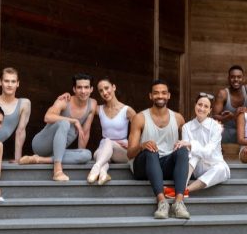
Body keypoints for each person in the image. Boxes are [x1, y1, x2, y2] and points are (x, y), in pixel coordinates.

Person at [127, 79, 189, 219]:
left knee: (183, 149)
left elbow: (189, 143)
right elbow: (129, 153)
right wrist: (142, 145)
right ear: (150, 96)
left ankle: (179, 203)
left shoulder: (178, 118)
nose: (160, 96)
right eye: (156, 93)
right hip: (144, 165)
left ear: (169, 96)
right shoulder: (140, 118)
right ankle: (162, 203)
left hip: (166, 166)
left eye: (163, 93)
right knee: (151, 150)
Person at [18, 73, 96, 181]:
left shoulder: (92, 105)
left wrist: (78, 155)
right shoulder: (64, 101)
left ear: (91, 89)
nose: (83, 91)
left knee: (86, 155)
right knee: (64, 123)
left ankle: (39, 160)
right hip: (41, 144)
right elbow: (47, 117)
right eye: (79, 87)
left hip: (58, 151)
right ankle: (57, 171)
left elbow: (85, 132)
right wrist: (73, 121)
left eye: (86, 87)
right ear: (74, 89)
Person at [175, 92, 230, 195]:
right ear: (195, 105)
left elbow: (208, 152)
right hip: (196, 168)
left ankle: (185, 191)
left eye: (206, 106)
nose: (202, 108)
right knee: (193, 155)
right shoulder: (186, 127)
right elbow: (188, 154)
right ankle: (182, 185)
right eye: (199, 104)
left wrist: (191, 144)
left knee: (222, 168)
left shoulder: (216, 127)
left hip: (214, 165)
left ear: (209, 110)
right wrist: (191, 147)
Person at [86, 78, 136, 185]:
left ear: (114, 87)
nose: (104, 92)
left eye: (106, 88)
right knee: (102, 150)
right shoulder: (99, 109)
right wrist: (67, 97)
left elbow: (141, 130)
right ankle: (103, 173)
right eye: (100, 90)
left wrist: (133, 145)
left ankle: (96, 167)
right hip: (105, 150)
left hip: (122, 151)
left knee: (107, 142)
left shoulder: (127, 110)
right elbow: (82, 105)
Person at [213, 65, 247, 144]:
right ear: (228, 79)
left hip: (245, 131)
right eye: (233, 77)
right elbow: (215, 117)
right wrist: (230, 117)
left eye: (239, 77)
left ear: (243, 78)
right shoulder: (223, 94)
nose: (236, 79)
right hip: (227, 131)